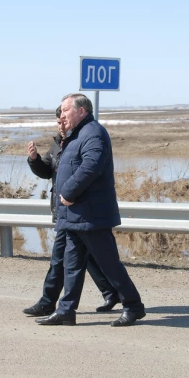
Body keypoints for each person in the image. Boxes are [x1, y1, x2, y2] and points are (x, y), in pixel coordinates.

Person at [35, 93, 146, 327]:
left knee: (109, 264)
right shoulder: (74, 135)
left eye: (65, 110)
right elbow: (56, 166)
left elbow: (90, 167)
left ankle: (133, 306)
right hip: (74, 215)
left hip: (91, 214)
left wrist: (69, 192)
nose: (62, 114)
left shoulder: (94, 133)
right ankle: (66, 310)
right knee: (72, 265)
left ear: (81, 111)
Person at [22, 106, 120, 317]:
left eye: (63, 120)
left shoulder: (84, 138)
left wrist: (68, 193)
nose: (61, 125)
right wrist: (35, 160)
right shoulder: (59, 144)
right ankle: (109, 294)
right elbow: (47, 171)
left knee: (71, 259)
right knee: (78, 259)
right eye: (58, 122)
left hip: (78, 209)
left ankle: (52, 303)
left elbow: (88, 170)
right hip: (65, 211)